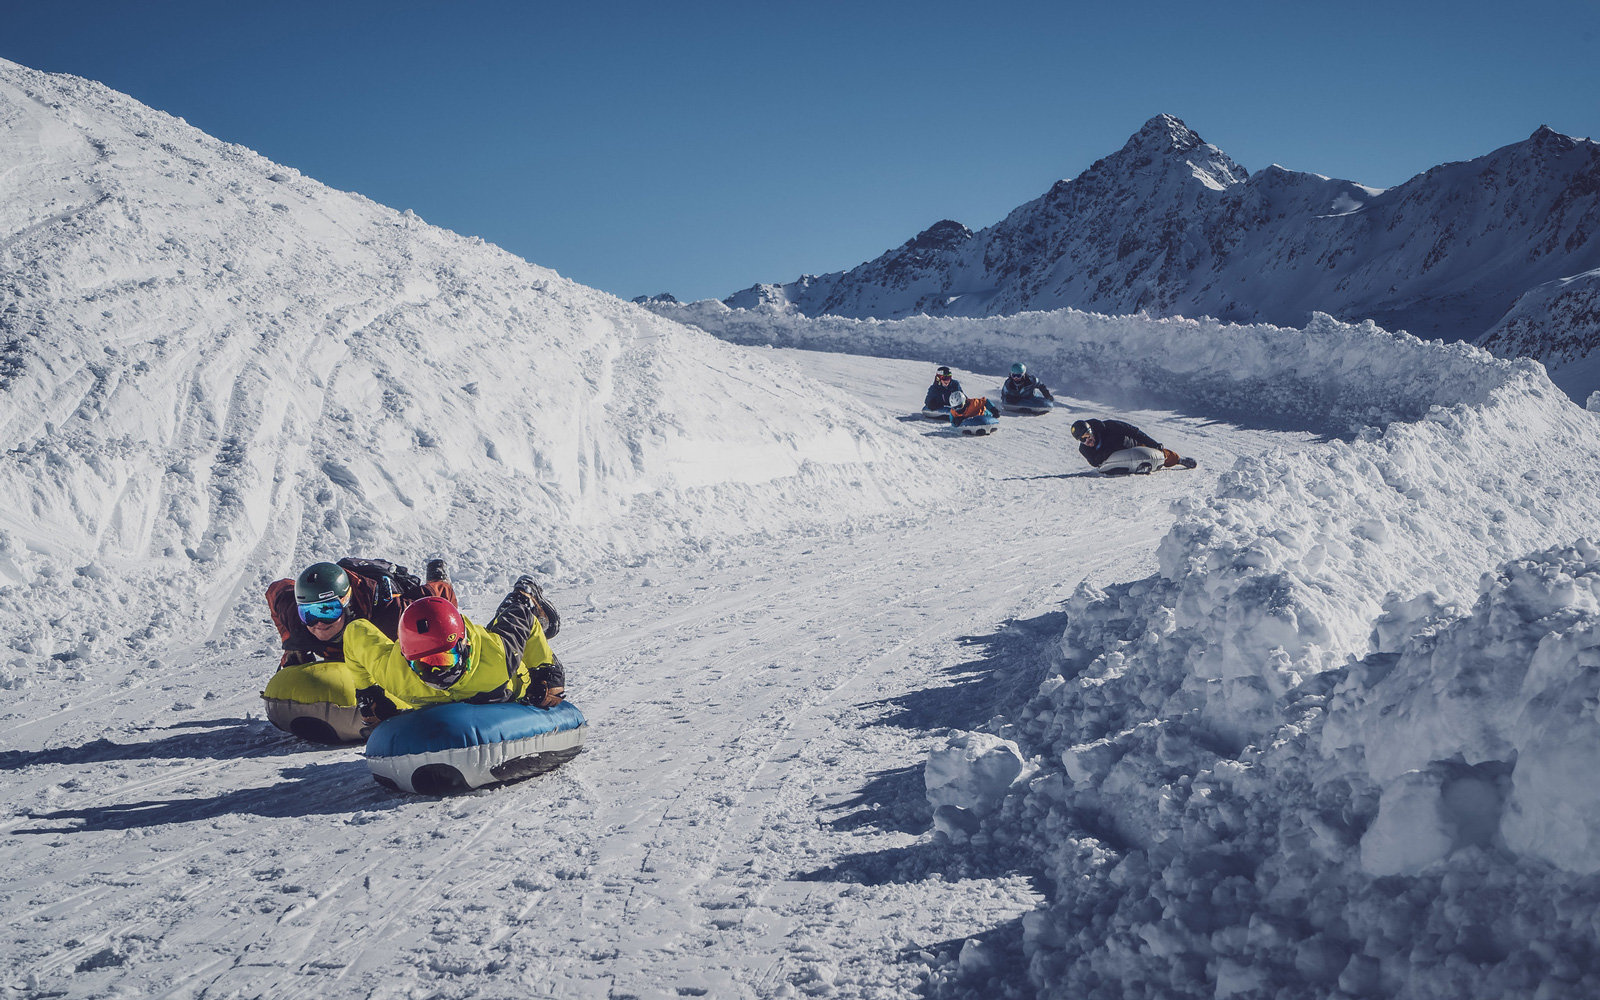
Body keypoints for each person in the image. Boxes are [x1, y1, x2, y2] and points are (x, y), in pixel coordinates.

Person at [340, 578, 567, 717]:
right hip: (460, 643)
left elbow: (521, 618)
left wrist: (546, 670)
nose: (435, 674)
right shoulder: (395, 673)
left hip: (497, 665)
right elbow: (355, 633)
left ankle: (524, 593)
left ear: (463, 647)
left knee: (511, 613)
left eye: (442, 660)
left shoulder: (499, 654)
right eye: (423, 664)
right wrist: (368, 692)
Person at [266, 558, 465, 668]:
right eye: (308, 614)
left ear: (346, 604)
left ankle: (437, 572)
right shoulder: (297, 617)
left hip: (387, 586)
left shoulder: (392, 617)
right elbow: (276, 590)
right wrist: (291, 642)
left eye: (328, 610)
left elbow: (440, 595)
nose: (318, 622)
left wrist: (453, 638)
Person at [1070, 418, 1197, 470]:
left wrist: (1153, 443)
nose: (1087, 441)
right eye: (1082, 439)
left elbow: (1133, 431)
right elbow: (1095, 462)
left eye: (1087, 435)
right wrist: (1110, 450)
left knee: (1159, 453)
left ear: (1092, 430)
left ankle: (1178, 460)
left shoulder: (1109, 426)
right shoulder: (1084, 449)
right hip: (1118, 458)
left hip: (1133, 445)